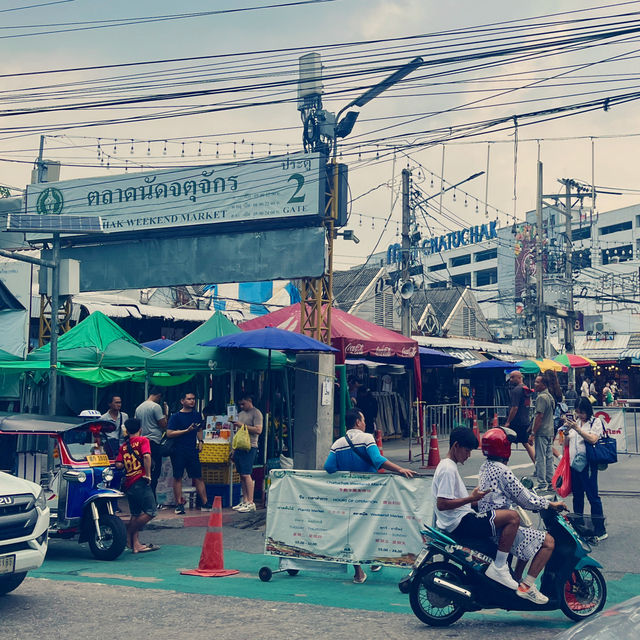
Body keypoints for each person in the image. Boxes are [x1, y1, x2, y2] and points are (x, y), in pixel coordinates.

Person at [324, 408, 415, 584]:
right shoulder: (367, 438)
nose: (365, 423)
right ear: (358, 422)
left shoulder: (337, 443)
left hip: (348, 494)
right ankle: (374, 561)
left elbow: (329, 467)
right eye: (363, 419)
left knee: (352, 530)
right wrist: (400, 469)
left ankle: (358, 573)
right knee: (372, 525)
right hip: (370, 493)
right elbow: (377, 460)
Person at [478, 428, 567, 605]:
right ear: (504, 447)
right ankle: (527, 586)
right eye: (508, 444)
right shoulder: (502, 469)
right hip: (501, 527)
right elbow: (523, 497)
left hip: (491, 521)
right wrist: (549, 504)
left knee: (530, 536)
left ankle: (517, 578)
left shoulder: (485, 466)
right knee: (548, 542)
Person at [432, 426, 521, 592]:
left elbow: (454, 500)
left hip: (459, 519)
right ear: (456, 446)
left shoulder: (448, 466)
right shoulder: (448, 469)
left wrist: (475, 500)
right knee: (513, 517)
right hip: (461, 523)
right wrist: (470, 499)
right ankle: (500, 568)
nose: (468, 455)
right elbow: (442, 504)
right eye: (466, 450)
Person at [563, 397, 607, 541]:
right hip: (574, 465)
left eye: (582, 412)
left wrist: (577, 429)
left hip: (588, 465)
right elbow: (566, 443)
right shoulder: (576, 423)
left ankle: (600, 530)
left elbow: (593, 439)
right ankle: (579, 527)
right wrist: (566, 432)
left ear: (588, 411)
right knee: (577, 497)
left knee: (593, 497)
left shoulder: (596, 422)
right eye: (577, 412)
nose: (579, 415)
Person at [114, 418, 159, 554]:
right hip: (140, 480)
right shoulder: (143, 440)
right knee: (151, 511)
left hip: (129, 483)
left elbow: (119, 464)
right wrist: (148, 474)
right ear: (141, 429)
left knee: (135, 513)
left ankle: (136, 545)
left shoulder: (124, 446)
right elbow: (146, 456)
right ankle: (128, 533)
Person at [166, 391, 212, 514]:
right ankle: (179, 504)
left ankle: (205, 502)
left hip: (192, 450)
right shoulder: (175, 417)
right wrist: (186, 430)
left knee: (198, 476)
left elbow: (199, 429)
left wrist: (201, 441)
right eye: (189, 399)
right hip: (178, 450)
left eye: (193, 399)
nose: (192, 401)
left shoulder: (197, 415)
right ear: (182, 401)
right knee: (178, 477)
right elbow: (169, 433)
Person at [135, 386, 169, 503]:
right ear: (158, 395)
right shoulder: (156, 407)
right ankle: (151, 499)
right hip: (154, 442)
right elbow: (163, 424)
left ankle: (144, 498)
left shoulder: (139, 407)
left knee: (144, 470)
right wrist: (166, 412)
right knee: (155, 472)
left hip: (142, 441)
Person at [231, 394, 263, 513]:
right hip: (239, 446)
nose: (241, 406)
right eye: (240, 404)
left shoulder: (256, 413)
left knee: (246, 474)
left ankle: (251, 501)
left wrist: (242, 426)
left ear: (249, 401)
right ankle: (244, 500)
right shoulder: (240, 414)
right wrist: (233, 450)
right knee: (241, 475)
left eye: (243, 403)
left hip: (250, 446)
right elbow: (237, 432)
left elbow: (259, 430)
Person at [529, 373, 556, 490]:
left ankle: (542, 483)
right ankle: (551, 482)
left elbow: (539, 416)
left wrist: (533, 433)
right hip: (550, 431)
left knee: (540, 458)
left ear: (543, 384)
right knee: (549, 458)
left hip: (542, 431)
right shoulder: (549, 396)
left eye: (537, 382)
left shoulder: (541, 397)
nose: (535, 384)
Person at [504, 371, 535, 463]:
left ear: (519, 378)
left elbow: (514, 407)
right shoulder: (525, 389)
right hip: (525, 420)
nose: (511, 379)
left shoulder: (516, 390)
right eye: (510, 377)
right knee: (527, 444)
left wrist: (508, 421)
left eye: (513, 377)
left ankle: (503, 464)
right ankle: (537, 465)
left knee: (506, 442)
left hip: (516, 421)